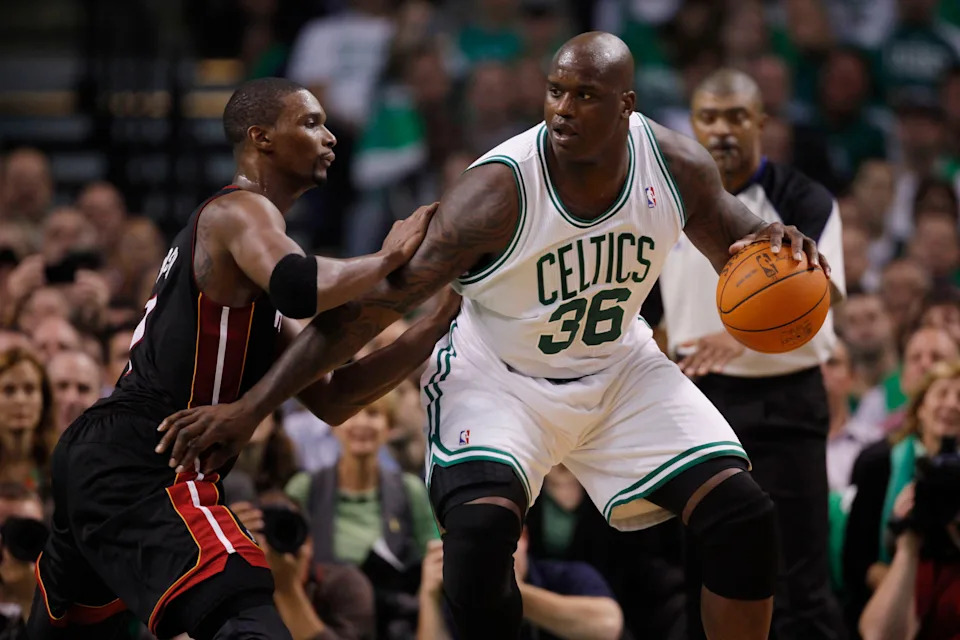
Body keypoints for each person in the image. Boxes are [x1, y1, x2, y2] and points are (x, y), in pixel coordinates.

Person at [157, 33, 835, 640]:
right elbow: (364, 315)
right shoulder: (497, 191)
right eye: (555, 90)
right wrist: (251, 409)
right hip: (498, 376)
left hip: (619, 365)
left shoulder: (674, 163)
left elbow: (745, 245)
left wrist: (784, 254)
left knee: (745, 518)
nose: (563, 108)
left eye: (585, 95)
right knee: (478, 543)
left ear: (626, 105)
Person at [26, 77, 456, 640]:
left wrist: (436, 326)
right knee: (247, 613)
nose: (329, 136)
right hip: (147, 457)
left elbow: (333, 395)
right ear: (262, 138)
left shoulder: (249, 270)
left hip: (111, 455)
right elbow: (300, 283)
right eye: (310, 122)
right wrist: (386, 256)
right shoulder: (239, 212)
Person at [650, 68, 847, 640]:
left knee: (800, 574)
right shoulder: (669, 207)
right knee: (705, 570)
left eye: (736, 117)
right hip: (700, 402)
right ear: (692, 124)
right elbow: (651, 313)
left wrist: (734, 338)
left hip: (787, 403)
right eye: (709, 117)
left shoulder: (802, 198)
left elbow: (821, 293)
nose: (722, 130)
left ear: (761, 123)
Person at [854, 361, 960, 640]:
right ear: (920, 408)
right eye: (942, 394)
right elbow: (857, 560)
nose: (951, 404)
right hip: (898, 586)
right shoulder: (879, 463)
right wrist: (907, 537)